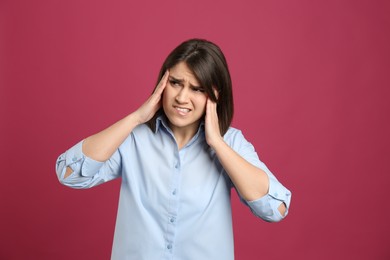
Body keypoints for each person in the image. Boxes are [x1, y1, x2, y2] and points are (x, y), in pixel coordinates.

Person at [56, 38, 292, 260]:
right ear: (163, 83)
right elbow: (69, 174)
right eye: (176, 83)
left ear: (215, 95)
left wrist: (217, 144)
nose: (181, 97)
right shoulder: (133, 138)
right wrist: (136, 118)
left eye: (197, 89)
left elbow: (275, 208)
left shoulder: (231, 143)